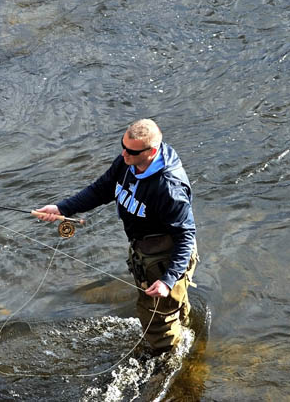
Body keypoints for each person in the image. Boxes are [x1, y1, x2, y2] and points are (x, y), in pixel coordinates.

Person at [34, 118, 197, 353]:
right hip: (145, 249)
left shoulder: (169, 189)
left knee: (155, 317)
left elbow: (186, 238)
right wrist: (63, 208)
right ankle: (184, 330)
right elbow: (102, 189)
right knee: (169, 307)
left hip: (166, 255)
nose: (123, 154)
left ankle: (167, 358)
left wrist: (168, 280)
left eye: (130, 150)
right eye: (123, 146)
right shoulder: (127, 163)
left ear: (151, 152)